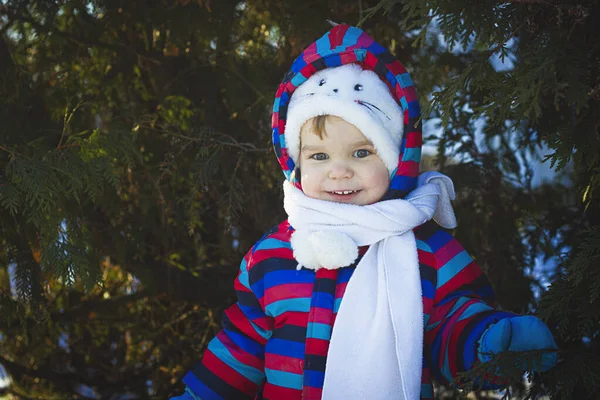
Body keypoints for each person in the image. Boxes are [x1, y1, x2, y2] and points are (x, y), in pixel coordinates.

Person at [171, 24, 557, 400]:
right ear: (295, 163)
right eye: (319, 156)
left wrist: (490, 343)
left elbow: (451, 326)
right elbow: (242, 344)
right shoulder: (271, 255)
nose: (339, 170)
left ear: (395, 161)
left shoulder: (430, 253)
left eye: (361, 153)